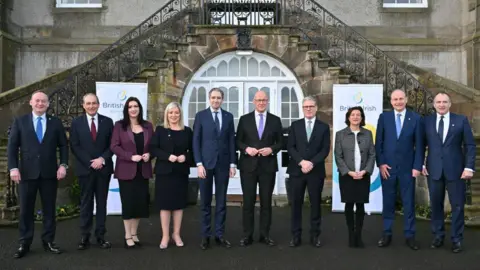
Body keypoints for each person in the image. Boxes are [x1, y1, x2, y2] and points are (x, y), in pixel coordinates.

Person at [7, 90, 68, 258]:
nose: (40, 103)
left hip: (50, 174)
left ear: (48, 104)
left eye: (43, 101)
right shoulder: (20, 122)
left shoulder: (55, 122)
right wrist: (13, 168)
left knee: (49, 210)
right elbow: (12, 147)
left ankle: (48, 241)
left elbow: (63, 145)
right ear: (31, 103)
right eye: (37, 101)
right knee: (26, 210)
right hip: (26, 173)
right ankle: (24, 243)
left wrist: (63, 165)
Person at [422, 92, 476, 253]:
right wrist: (420, 163)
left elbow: (470, 145)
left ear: (450, 104)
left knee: (457, 206)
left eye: (445, 102)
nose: (441, 104)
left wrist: (469, 167)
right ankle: (438, 235)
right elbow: (420, 144)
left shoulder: (461, 120)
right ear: (434, 104)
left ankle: (457, 239)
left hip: (456, 171)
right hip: (434, 170)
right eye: (438, 102)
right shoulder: (427, 122)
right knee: (436, 205)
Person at [375, 89, 424, 250]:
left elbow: (420, 146)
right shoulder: (384, 117)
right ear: (391, 101)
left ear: (406, 99)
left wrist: (417, 166)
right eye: (395, 99)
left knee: (409, 203)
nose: (398, 102)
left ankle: (410, 235)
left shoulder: (416, 118)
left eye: (401, 99)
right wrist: (381, 164)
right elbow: (379, 143)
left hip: (407, 169)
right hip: (387, 169)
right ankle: (387, 233)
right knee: (388, 202)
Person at [236, 90, 283, 247]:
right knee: (248, 203)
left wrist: (272, 149)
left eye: (264, 100)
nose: (261, 103)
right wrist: (246, 149)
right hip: (248, 166)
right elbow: (237, 141)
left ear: (267, 101)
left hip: (267, 167)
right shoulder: (244, 120)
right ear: (253, 101)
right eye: (258, 100)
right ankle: (247, 235)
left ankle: (265, 235)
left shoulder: (275, 121)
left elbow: (281, 143)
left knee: (266, 203)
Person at [192, 88, 237, 250]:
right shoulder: (201, 116)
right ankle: (205, 236)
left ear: (222, 100)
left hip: (223, 165)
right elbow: (195, 141)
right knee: (204, 202)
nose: (216, 100)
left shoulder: (228, 117)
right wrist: (198, 164)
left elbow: (232, 141)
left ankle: (219, 235)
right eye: (213, 97)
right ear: (209, 99)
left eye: (218, 98)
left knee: (221, 202)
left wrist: (233, 164)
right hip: (205, 165)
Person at [70, 93, 114, 250]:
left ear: (98, 104)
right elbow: (74, 145)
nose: (91, 106)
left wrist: (101, 159)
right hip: (85, 169)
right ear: (83, 105)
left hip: (103, 169)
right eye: (88, 103)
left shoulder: (108, 122)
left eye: (94, 103)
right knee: (86, 203)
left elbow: (113, 145)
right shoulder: (76, 123)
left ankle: (101, 236)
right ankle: (85, 236)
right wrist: (90, 161)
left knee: (102, 203)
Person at [110, 97, 154, 249]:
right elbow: (114, 146)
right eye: (130, 107)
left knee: (139, 205)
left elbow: (153, 146)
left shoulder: (148, 126)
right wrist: (130, 156)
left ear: (140, 108)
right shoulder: (119, 126)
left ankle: (135, 234)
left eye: (136, 106)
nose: (133, 109)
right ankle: (127, 235)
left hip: (143, 171)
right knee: (128, 204)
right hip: (126, 171)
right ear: (126, 109)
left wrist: (149, 154)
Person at [287, 96, 330, 248]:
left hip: (315, 171)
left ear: (316, 108)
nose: (309, 109)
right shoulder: (295, 125)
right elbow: (290, 147)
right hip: (297, 172)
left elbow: (325, 149)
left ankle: (315, 236)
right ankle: (295, 236)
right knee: (296, 205)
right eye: (306, 107)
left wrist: (311, 162)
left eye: (311, 106)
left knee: (316, 205)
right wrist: (301, 161)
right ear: (302, 108)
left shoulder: (323, 127)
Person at [150, 102, 193, 249]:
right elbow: (153, 149)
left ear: (180, 114)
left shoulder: (187, 131)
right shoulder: (160, 130)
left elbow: (193, 151)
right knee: (165, 206)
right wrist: (167, 156)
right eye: (170, 113)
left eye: (176, 113)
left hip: (180, 173)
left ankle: (176, 234)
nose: (173, 115)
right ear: (166, 114)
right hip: (164, 173)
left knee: (178, 205)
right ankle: (165, 236)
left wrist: (185, 157)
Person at [334, 106, 375, 248]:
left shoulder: (368, 134)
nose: (356, 117)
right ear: (348, 117)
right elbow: (338, 156)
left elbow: (372, 154)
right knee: (349, 204)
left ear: (362, 118)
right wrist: (348, 172)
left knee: (360, 205)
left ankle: (359, 235)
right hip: (347, 176)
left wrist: (365, 171)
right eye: (353, 115)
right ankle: (351, 234)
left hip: (363, 175)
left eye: (358, 115)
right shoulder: (340, 134)